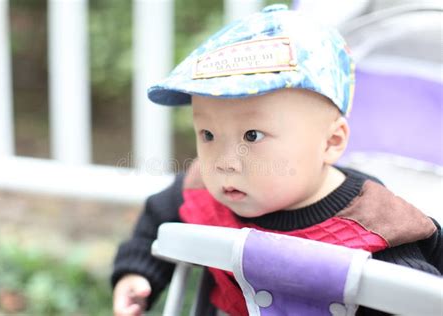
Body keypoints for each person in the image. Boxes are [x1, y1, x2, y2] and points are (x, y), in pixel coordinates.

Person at [111, 4, 442, 316]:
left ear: (331, 141)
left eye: (252, 136)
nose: (225, 162)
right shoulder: (202, 189)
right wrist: (138, 272)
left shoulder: (377, 225)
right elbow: (159, 216)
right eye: (208, 135)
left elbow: (418, 293)